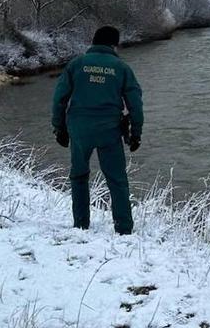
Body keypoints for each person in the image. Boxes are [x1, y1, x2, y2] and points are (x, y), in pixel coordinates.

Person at [51, 25, 144, 234]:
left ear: (93, 42)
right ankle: (124, 228)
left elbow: (59, 98)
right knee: (117, 179)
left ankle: (81, 224)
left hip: (79, 129)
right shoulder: (121, 68)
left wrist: (59, 127)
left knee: (79, 175)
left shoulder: (76, 64)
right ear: (114, 44)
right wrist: (136, 133)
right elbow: (135, 104)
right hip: (109, 130)